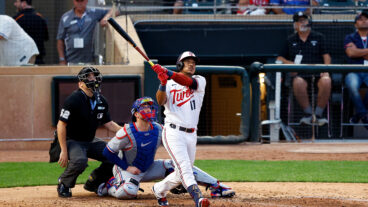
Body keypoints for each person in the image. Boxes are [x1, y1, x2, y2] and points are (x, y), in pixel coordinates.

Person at [96, 97, 235, 201]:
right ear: (136, 114)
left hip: (149, 167)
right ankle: (110, 185)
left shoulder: (158, 128)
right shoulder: (126, 131)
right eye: (144, 107)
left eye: (150, 107)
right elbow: (107, 151)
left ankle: (216, 186)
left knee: (183, 165)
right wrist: (126, 167)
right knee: (128, 193)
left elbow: (173, 141)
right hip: (127, 170)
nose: (148, 110)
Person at [150, 51, 209, 207]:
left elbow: (187, 82)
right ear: (179, 64)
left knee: (180, 173)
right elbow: (161, 101)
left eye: (193, 62)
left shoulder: (199, 80)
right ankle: (198, 199)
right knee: (185, 168)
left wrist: (168, 72)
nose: (191, 64)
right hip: (173, 132)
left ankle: (158, 189)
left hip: (191, 134)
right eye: (187, 61)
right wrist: (163, 82)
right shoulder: (169, 84)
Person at [56, 66, 122, 198]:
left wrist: (128, 131)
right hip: (72, 140)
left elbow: (109, 124)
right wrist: (63, 150)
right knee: (80, 160)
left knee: (117, 156)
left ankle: (94, 182)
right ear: (80, 84)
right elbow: (61, 125)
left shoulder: (101, 100)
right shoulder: (73, 99)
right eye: (89, 77)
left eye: (94, 76)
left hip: (90, 140)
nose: (93, 79)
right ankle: (64, 183)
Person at [276, 12, 331, 126]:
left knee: (327, 81)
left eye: (304, 20)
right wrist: (290, 63)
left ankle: (318, 114)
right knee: (298, 82)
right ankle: (308, 115)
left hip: (317, 72)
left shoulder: (319, 37)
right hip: (299, 73)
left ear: (309, 22)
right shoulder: (290, 39)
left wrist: (326, 70)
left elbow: (326, 55)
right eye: (299, 21)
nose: (302, 23)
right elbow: (280, 57)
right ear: (295, 25)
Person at [56, 0, 118, 65]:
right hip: (71, 61)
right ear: (74, 1)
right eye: (77, 1)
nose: (79, 3)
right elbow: (60, 40)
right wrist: (62, 59)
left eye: (82, 1)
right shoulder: (65, 17)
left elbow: (115, 10)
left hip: (89, 61)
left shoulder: (93, 13)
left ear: (86, 1)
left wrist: (106, 18)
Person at [344, 10, 368, 127]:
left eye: (366, 19)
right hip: (354, 70)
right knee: (352, 86)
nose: (364, 21)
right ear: (355, 24)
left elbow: (355, 52)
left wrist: (358, 51)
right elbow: (351, 53)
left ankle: (359, 115)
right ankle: (364, 114)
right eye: (360, 19)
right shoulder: (350, 37)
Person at [13, 0, 49, 64]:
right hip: (38, 58)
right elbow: (46, 37)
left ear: (24, 3)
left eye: (17, 2)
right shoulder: (40, 17)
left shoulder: (16, 19)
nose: (15, 4)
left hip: (21, 59)